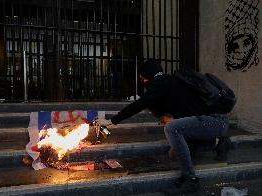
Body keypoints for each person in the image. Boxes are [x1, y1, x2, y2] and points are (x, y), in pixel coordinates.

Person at [94, 60, 230, 194]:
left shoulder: (160, 83)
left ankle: (190, 179)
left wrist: (112, 120)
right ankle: (217, 143)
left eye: (142, 78)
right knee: (175, 152)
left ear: (148, 75)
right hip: (213, 122)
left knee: (172, 128)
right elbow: (164, 109)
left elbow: (139, 104)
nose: (143, 82)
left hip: (214, 120)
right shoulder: (171, 83)